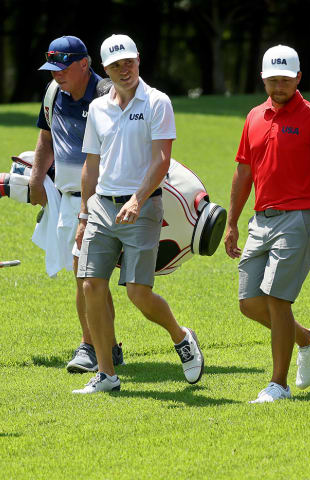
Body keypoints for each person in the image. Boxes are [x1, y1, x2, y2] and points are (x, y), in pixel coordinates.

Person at [73, 34, 203, 394]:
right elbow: (91, 165)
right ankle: (106, 374)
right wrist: (84, 215)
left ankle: (181, 337)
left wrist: (137, 199)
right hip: (102, 207)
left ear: (138, 60)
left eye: (128, 62)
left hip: (143, 208)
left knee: (138, 293)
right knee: (90, 286)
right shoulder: (98, 108)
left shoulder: (158, 102)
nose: (123, 70)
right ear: (105, 70)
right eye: (116, 65)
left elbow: (162, 159)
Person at [225, 44, 310, 403]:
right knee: (249, 302)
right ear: (263, 79)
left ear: (298, 78)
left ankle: (278, 384)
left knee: (278, 300)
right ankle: (308, 340)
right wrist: (232, 223)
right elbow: (243, 173)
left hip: (299, 219)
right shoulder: (254, 117)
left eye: (285, 79)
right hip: (260, 220)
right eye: (271, 79)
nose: (278, 86)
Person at [27, 35, 124, 374]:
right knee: (90, 277)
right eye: (52, 68)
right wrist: (38, 178)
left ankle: (90, 346)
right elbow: (46, 136)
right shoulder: (54, 93)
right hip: (68, 200)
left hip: (102, 200)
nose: (56, 74)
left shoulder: (107, 96)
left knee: (85, 274)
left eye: (63, 67)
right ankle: (108, 345)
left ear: (85, 64)